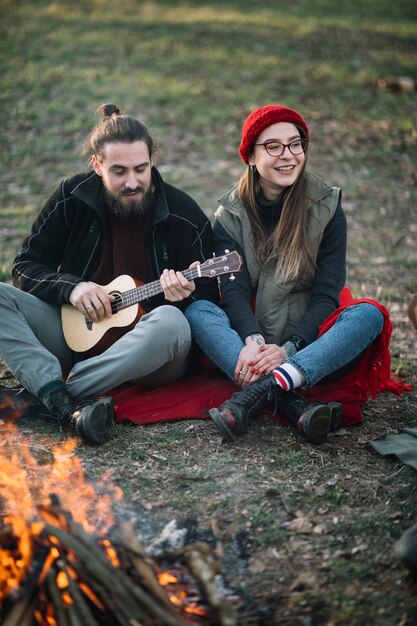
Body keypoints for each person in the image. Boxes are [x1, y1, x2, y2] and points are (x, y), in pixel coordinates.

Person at [0, 104, 218, 444]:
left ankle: (52, 395)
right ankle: (57, 395)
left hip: (149, 358)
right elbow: (25, 266)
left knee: (172, 323)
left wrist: (185, 296)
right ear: (97, 165)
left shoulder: (183, 214)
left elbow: (209, 295)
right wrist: (72, 288)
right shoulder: (72, 198)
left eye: (141, 169)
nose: (132, 182)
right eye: (119, 171)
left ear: (152, 162)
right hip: (76, 336)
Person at [185, 104, 389, 444]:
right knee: (198, 311)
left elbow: (327, 294)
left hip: (311, 344)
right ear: (250, 156)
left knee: (369, 315)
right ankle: (293, 404)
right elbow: (232, 290)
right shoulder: (230, 215)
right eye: (274, 146)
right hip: (249, 343)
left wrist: (291, 349)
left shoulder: (326, 207)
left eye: (296, 144)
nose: (289, 155)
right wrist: (253, 340)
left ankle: (262, 388)